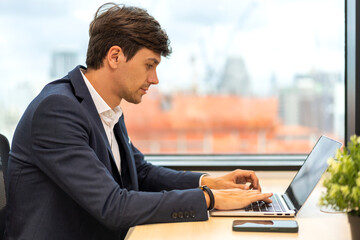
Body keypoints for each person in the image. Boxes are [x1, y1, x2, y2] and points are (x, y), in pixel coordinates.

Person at [4, 3, 272, 240]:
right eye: (149, 65)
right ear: (115, 56)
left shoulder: (106, 106)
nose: (155, 79)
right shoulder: (57, 111)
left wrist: (209, 183)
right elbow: (113, 205)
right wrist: (210, 200)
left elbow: (140, 173)